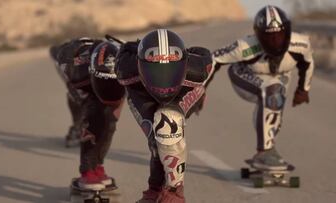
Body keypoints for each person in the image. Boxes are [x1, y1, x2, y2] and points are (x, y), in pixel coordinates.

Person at [115, 29, 215, 203]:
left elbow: (205, 55)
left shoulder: (198, 70)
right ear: (139, 65)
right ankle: (155, 190)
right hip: (142, 94)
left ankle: (175, 191)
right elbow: (124, 51)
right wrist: (133, 46)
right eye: (155, 71)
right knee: (156, 139)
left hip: (185, 90)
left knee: (167, 120)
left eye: (171, 70)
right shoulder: (126, 69)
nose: (163, 78)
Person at [212, 5, 314, 170]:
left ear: (288, 32)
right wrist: (199, 89)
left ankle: (269, 149)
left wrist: (303, 90)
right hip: (244, 75)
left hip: (276, 78)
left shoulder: (301, 44)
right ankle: (264, 152)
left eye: (279, 36)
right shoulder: (245, 47)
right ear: (258, 35)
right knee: (272, 93)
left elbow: (307, 64)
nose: (275, 42)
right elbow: (214, 59)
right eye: (269, 37)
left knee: (274, 111)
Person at [50, 38, 125, 191]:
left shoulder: (127, 64)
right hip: (74, 69)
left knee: (109, 122)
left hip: (98, 59)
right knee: (93, 117)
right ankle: (87, 172)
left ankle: (98, 166)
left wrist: (110, 118)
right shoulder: (74, 71)